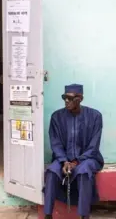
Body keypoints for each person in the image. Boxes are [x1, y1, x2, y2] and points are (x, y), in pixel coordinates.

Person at [43, 84, 104, 219]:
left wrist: (76, 162)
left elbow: (93, 146)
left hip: (88, 158)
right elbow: (56, 143)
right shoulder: (56, 117)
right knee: (52, 171)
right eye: (64, 97)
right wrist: (64, 161)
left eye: (70, 98)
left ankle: (84, 215)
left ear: (80, 99)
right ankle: (47, 214)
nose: (66, 101)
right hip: (62, 159)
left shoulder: (95, 116)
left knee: (83, 171)